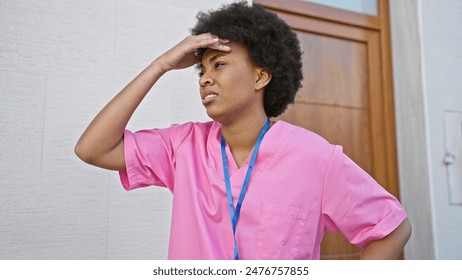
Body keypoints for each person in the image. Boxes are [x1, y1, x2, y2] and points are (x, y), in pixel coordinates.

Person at [75, 1, 411, 260]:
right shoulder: (182, 147)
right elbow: (93, 149)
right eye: (201, 71)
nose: (206, 78)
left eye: (219, 65)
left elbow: (393, 229)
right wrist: (160, 65)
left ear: (261, 77)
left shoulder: (315, 157)